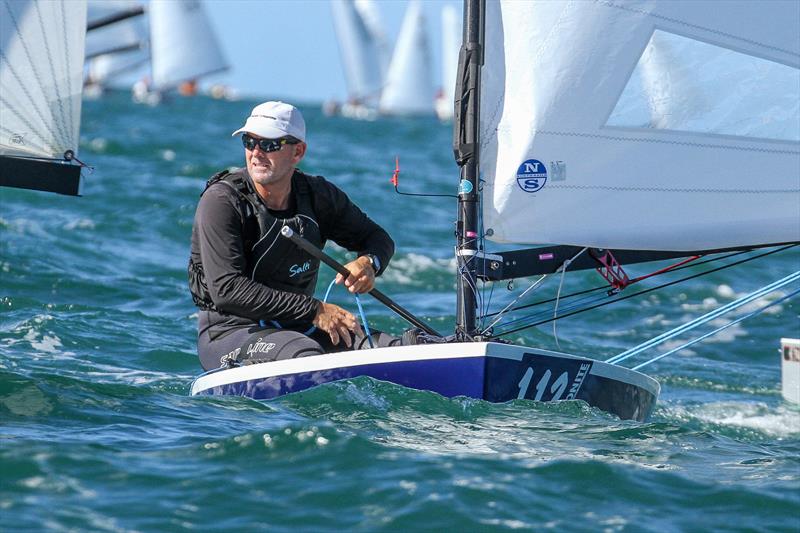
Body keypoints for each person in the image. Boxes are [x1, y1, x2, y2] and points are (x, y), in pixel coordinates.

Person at [189, 101, 395, 370]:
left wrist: (368, 263)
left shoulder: (317, 195)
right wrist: (314, 310)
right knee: (306, 354)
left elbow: (378, 238)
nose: (256, 153)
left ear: (298, 151)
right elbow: (227, 291)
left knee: (394, 347)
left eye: (270, 144)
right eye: (250, 142)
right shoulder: (222, 201)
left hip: (298, 327)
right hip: (230, 332)